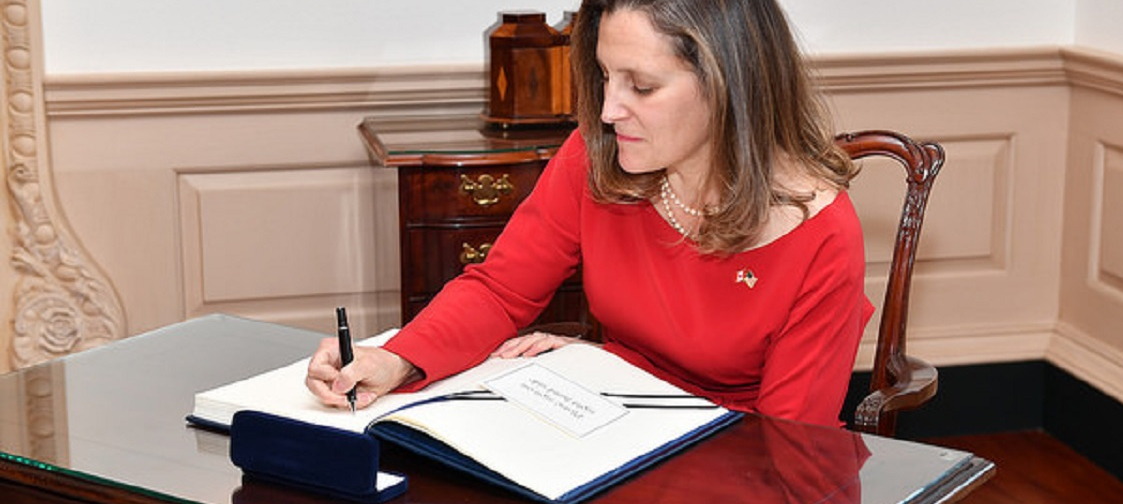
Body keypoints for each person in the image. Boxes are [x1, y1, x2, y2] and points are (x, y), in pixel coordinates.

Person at [307, 0, 870, 428]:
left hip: (735, 474)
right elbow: (500, 290)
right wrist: (397, 358)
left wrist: (614, 370)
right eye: (604, 76)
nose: (607, 110)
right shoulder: (596, 155)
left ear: (732, 88)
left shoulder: (821, 234)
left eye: (642, 87)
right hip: (615, 425)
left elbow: (786, 446)